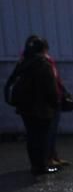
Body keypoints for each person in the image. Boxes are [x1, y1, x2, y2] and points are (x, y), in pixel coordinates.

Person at [8, 36, 59, 176]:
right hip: (42, 107)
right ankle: (43, 166)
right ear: (44, 49)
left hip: (25, 107)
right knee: (42, 137)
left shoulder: (23, 63)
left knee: (31, 137)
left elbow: (12, 81)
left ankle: (35, 165)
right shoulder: (43, 64)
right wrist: (56, 103)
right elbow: (51, 89)